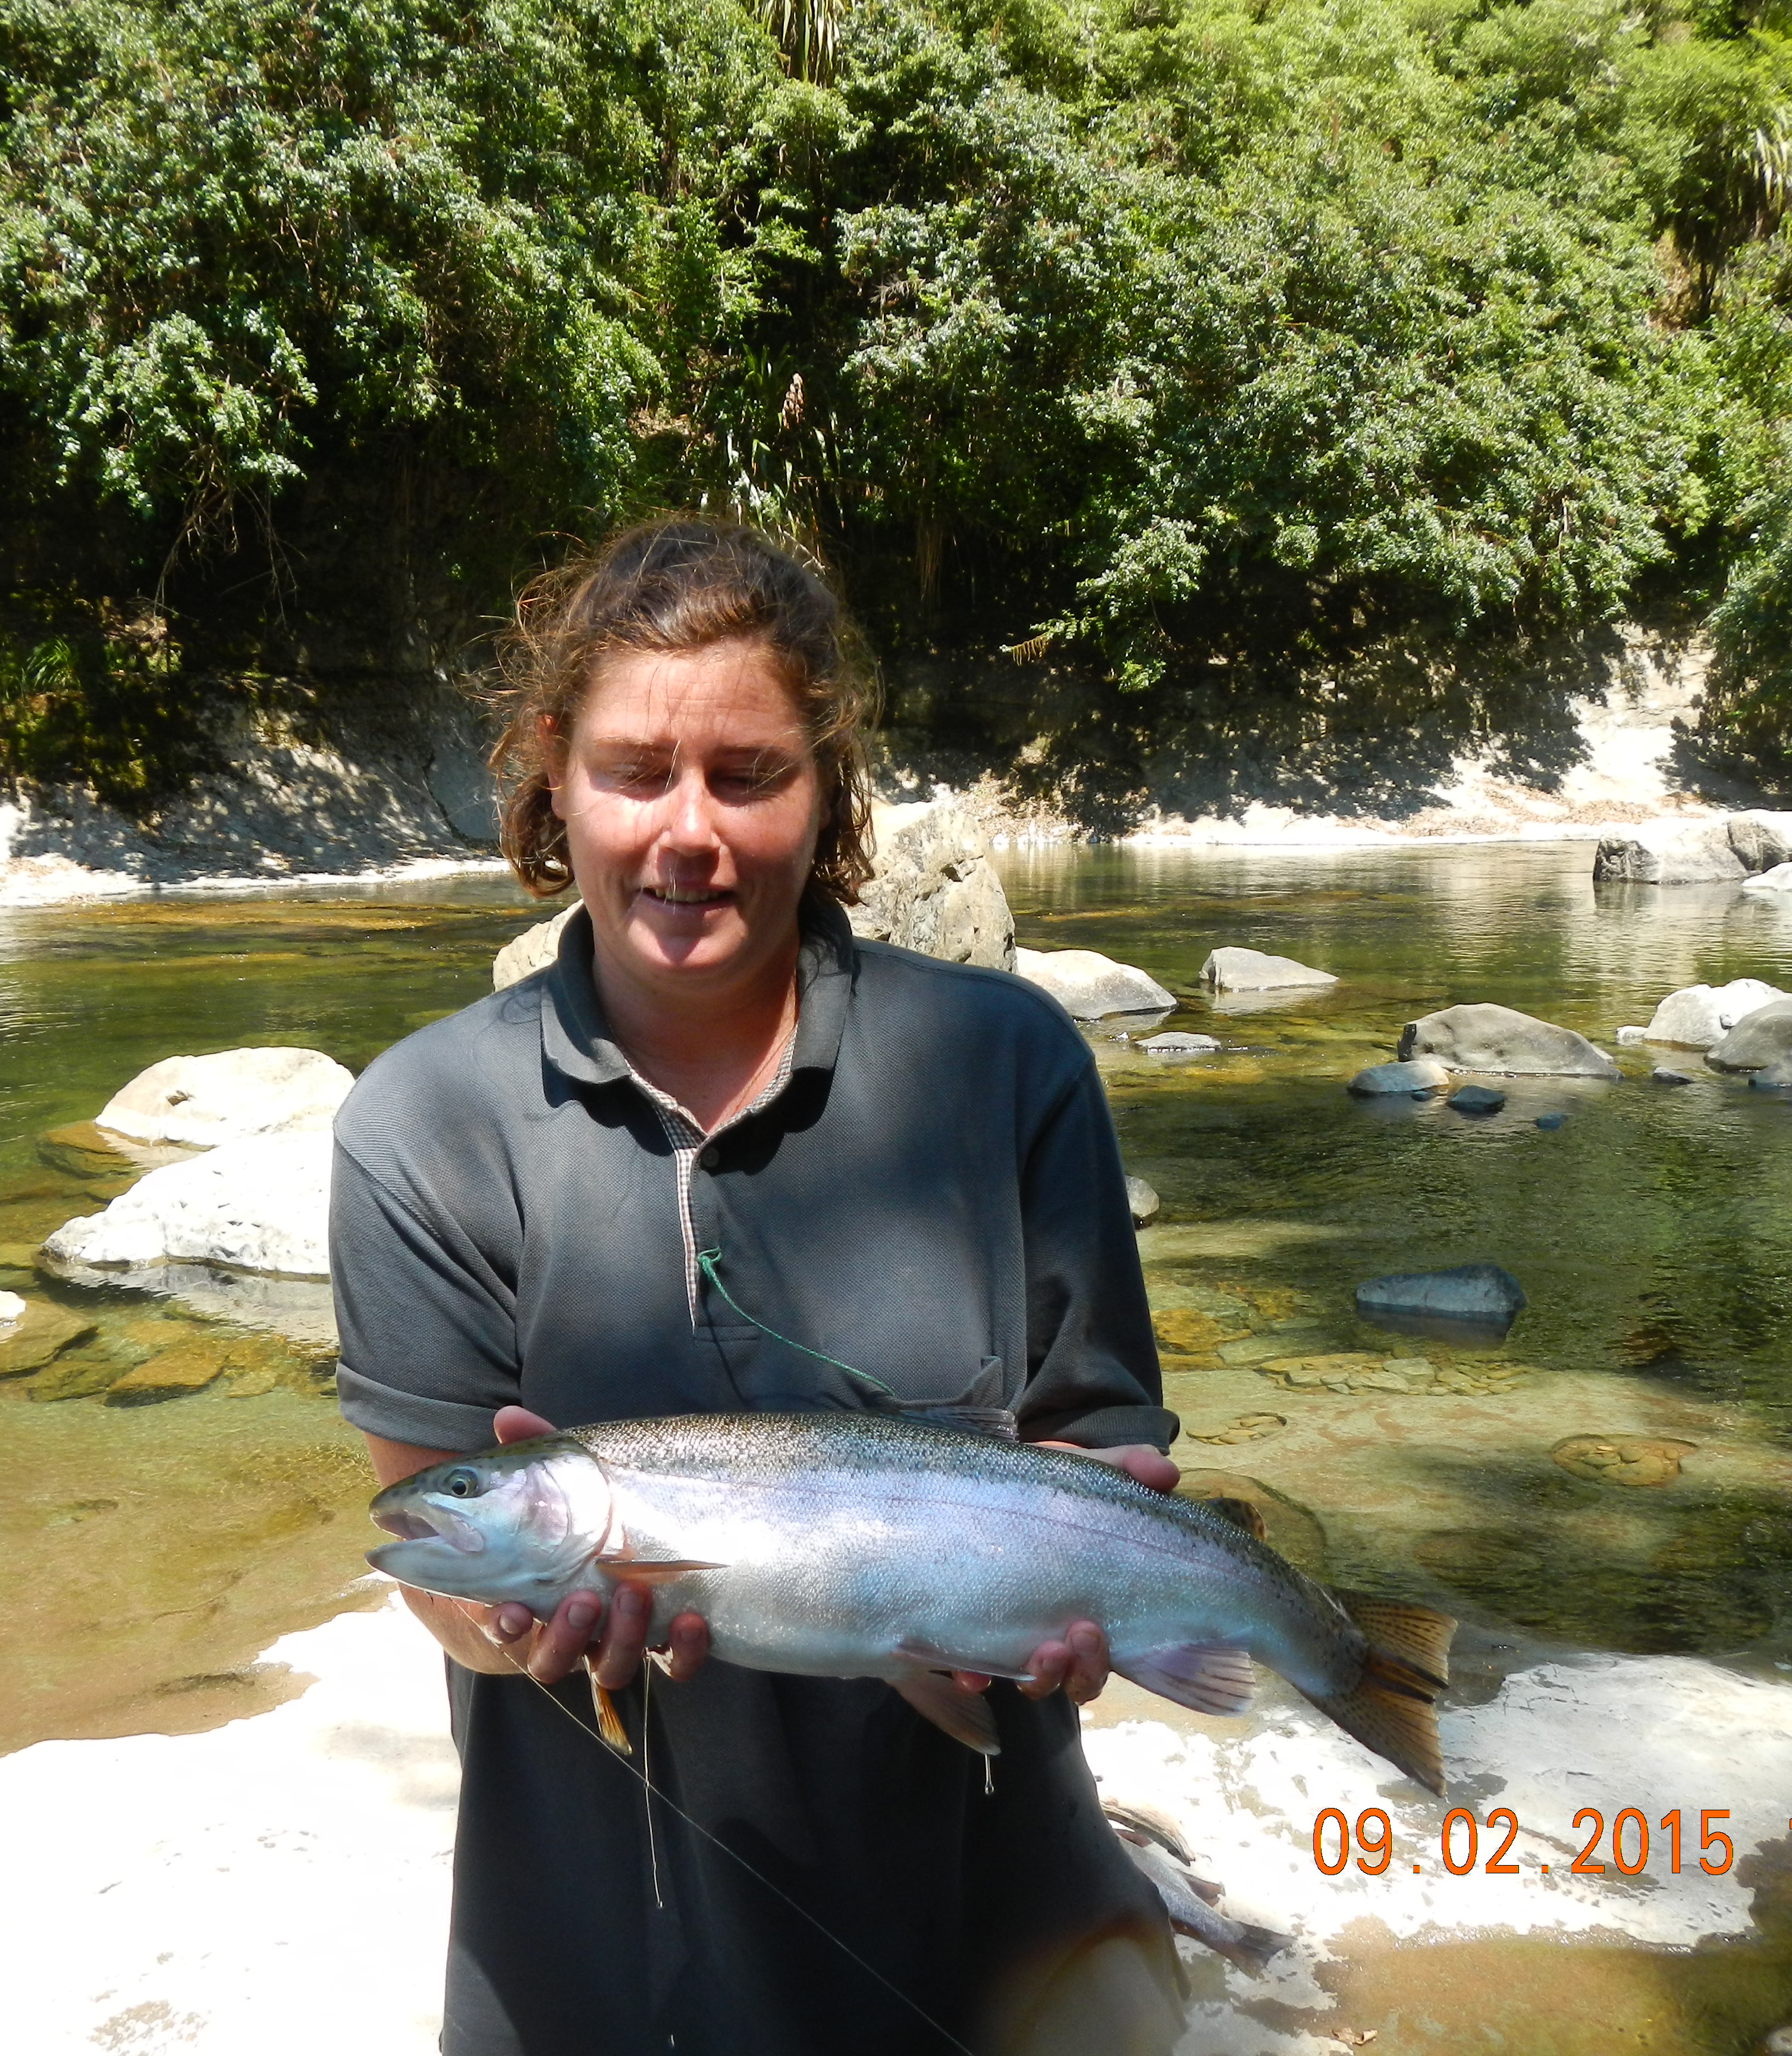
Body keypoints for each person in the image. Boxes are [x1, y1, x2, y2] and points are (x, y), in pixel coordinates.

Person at [331, 517, 1187, 2056]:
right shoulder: (424, 1126)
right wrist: (505, 1623)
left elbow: (1094, 1439)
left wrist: (1083, 1586)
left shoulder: (1005, 1063)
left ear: (827, 785)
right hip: (591, 1941)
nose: (689, 834)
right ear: (552, 772)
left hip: (990, 1906)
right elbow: (437, 1570)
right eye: (634, 771)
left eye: (748, 774)